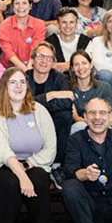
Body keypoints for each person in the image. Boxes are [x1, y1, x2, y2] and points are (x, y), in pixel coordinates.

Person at [0, 67, 56, 223]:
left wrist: (29, 166)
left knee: (41, 181)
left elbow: (50, 148)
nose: (18, 86)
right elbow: (1, 149)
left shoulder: (38, 110)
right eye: (13, 82)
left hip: (34, 161)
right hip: (2, 163)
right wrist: (23, 177)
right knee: (10, 184)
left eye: (22, 82)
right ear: (4, 86)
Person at [26, 42, 74, 187]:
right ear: (33, 59)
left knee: (65, 115)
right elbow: (22, 105)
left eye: (49, 58)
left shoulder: (60, 78)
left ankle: (56, 165)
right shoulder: (24, 78)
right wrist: (50, 95)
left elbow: (67, 103)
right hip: (27, 121)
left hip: (53, 121)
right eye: (40, 56)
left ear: (53, 62)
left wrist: (38, 102)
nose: (44, 61)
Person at [0, 0, 46, 71]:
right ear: (13, 7)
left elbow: (36, 48)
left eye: (24, 3)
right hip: (10, 67)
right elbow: (8, 51)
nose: (20, 7)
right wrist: (25, 70)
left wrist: (29, 69)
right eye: (17, 3)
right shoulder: (4, 25)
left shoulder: (39, 24)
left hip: (33, 66)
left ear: (30, 6)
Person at [69, 50, 112, 135]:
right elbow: (75, 116)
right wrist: (91, 123)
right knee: (79, 126)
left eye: (84, 63)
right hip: (81, 126)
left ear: (91, 65)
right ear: (72, 68)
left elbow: (108, 114)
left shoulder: (104, 87)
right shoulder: (68, 89)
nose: (81, 68)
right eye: (76, 64)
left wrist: (97, 123)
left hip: (102, 124)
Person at [45, 7, 92, 73]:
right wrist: (75, 64)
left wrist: (61, 65)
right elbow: (47, 66)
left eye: (71, 22)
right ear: (58, 25)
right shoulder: (49, 43)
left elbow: (87, 65)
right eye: (64, 22)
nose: (68, 26)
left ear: (76, 25)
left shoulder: (86, 41)